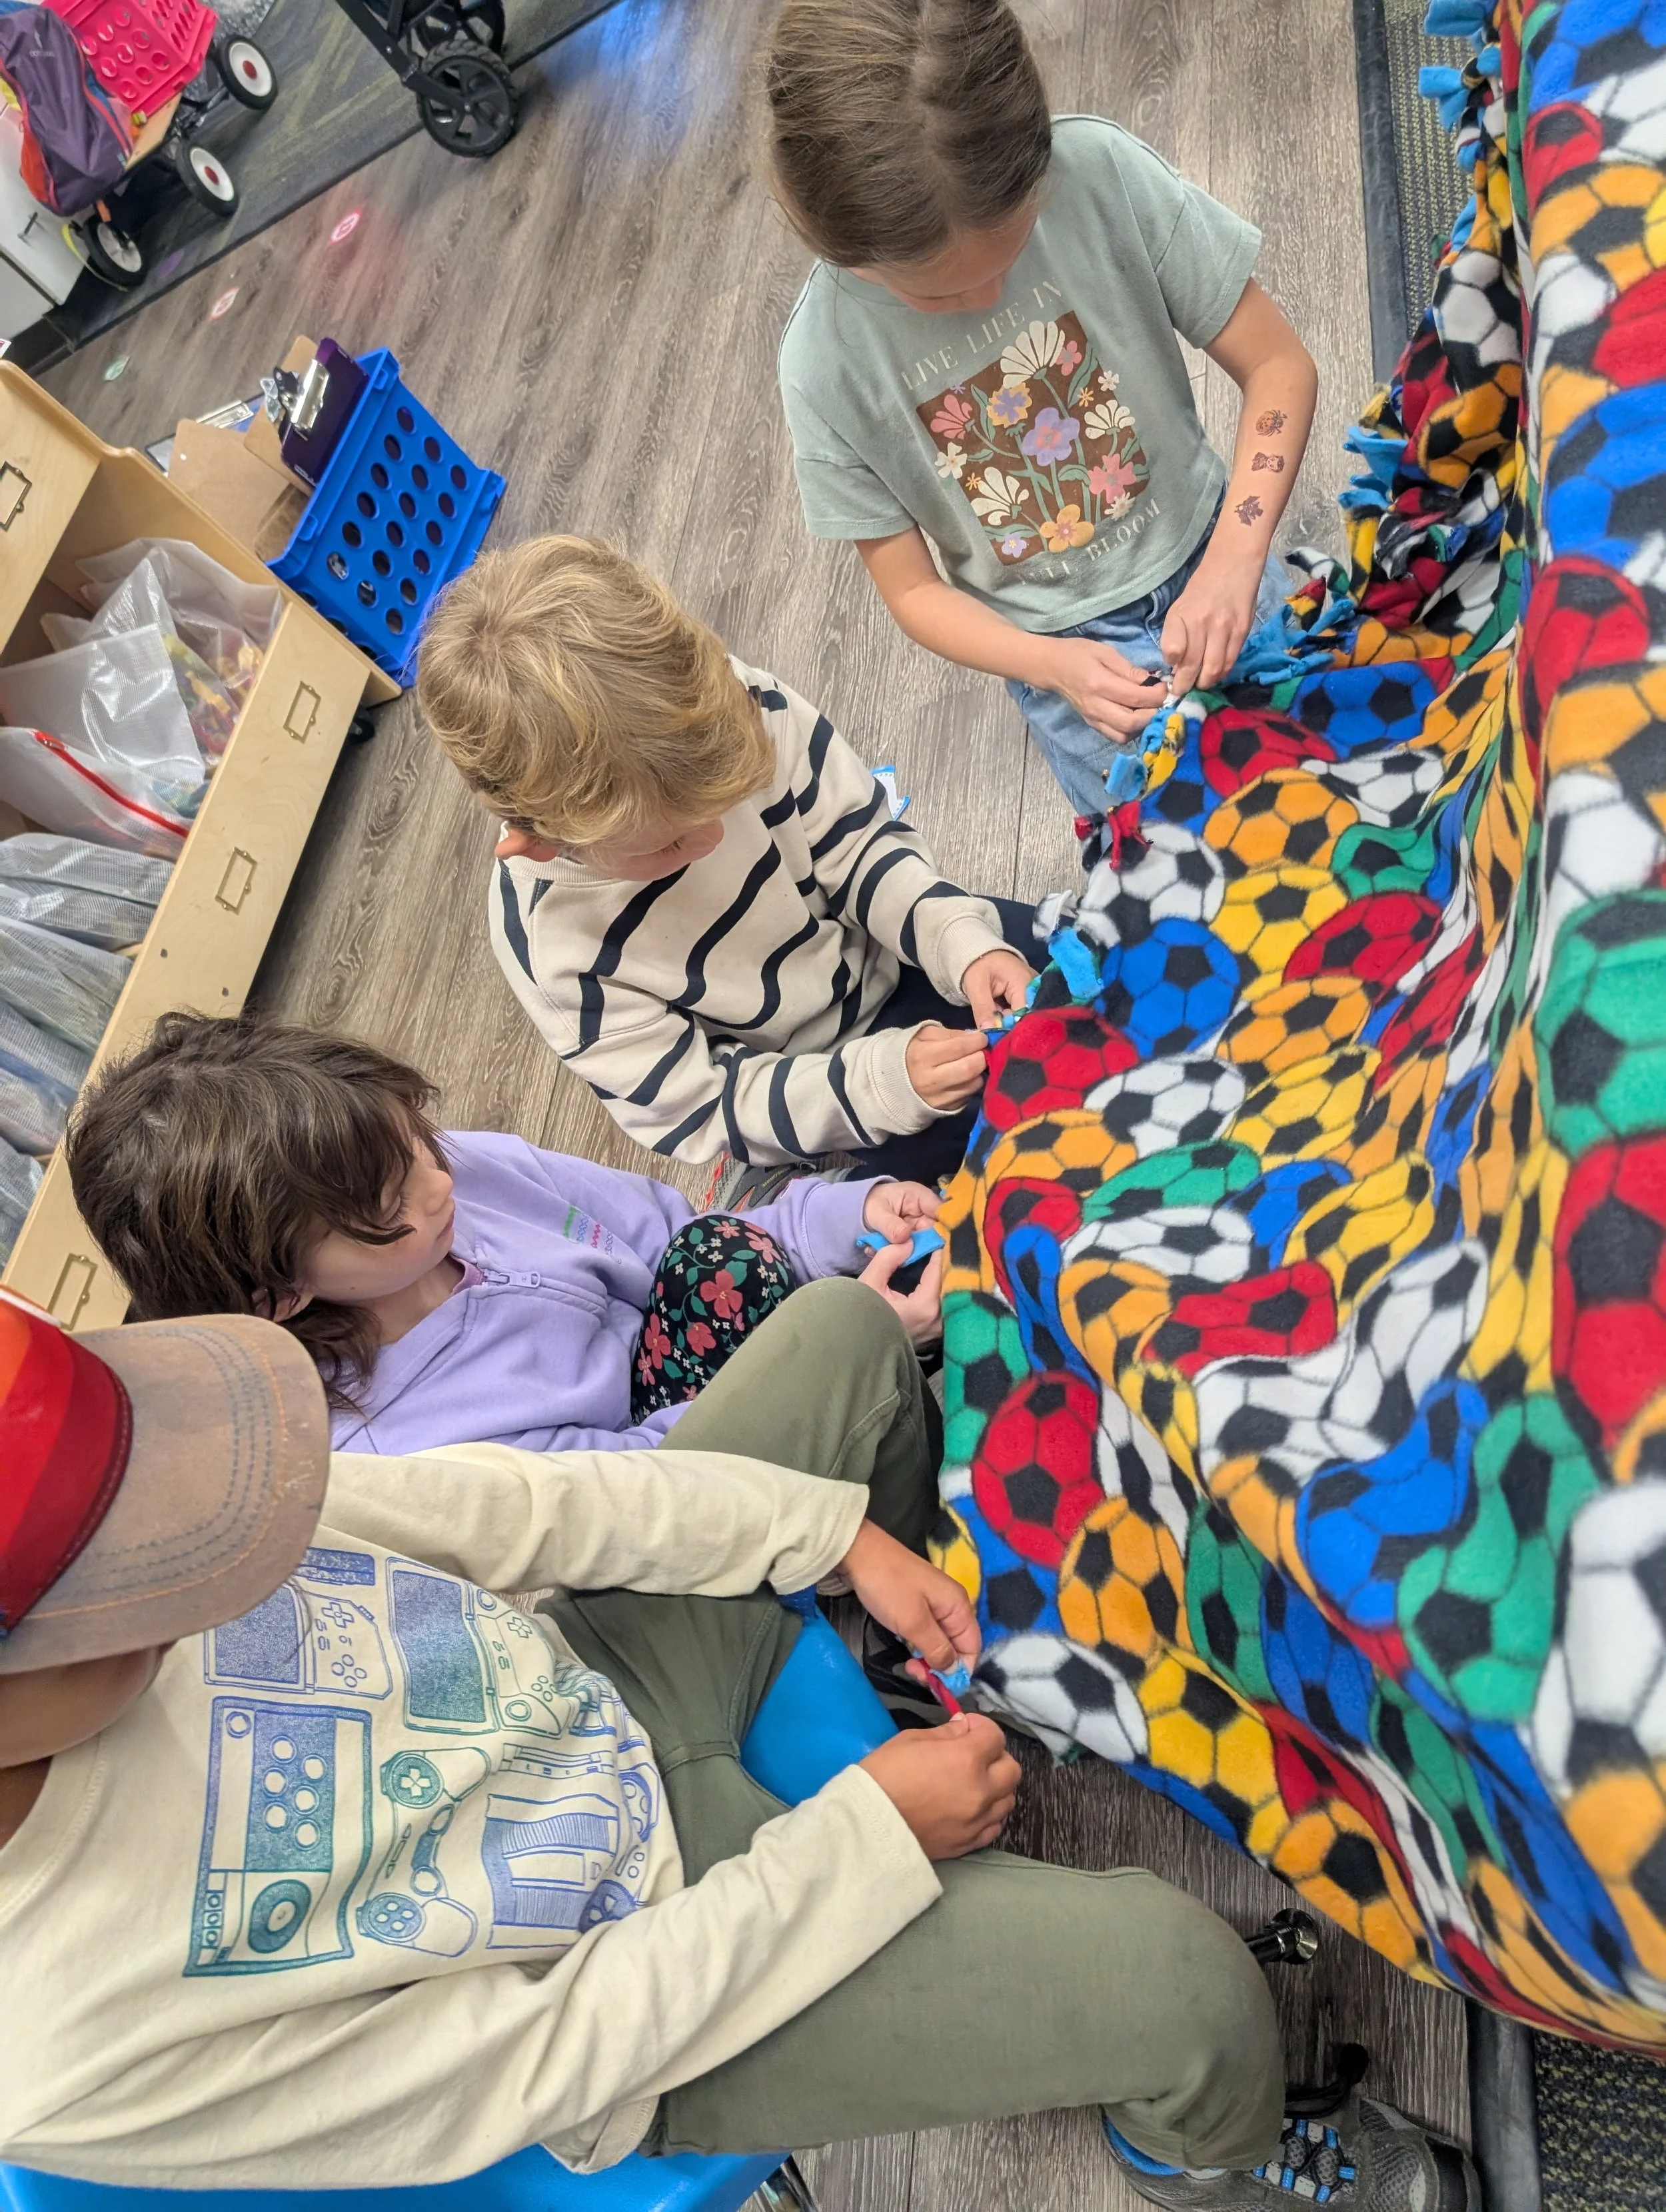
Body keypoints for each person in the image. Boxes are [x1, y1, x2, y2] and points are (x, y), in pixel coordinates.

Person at [0, 1287, 1477, 2211]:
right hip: (628, 1978)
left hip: (594, 1675)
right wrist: (864, 1841)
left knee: (842, 1337)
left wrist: (834, 1533)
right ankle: (1204, 2163)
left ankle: (914, 1675)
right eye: (137, 1578)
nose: (205, 1556)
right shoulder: (56, 2045)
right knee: (1184, 1982)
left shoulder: (166, 1526)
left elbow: (525, 1514)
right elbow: (547, 2054)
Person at [766, 0, 1320, 821]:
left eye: (1016, 243)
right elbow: (913, 593)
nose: (986, 297)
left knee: (1324, 761)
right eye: (937, 294)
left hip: (1218, 541)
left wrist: (1237, 557)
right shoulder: (822, 366)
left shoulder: (1095, 172)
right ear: (838, 247)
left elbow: (1277, 366)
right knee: (1165, 853)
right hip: (1059, 660)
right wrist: (1050, 665)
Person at [417, 534, 1040, 1188]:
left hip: (904, 948)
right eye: (667, 845)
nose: (714, 839)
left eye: (733, 794)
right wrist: (871, 1085)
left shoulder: (734, 704)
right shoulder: (555, 952)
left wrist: (957, 939)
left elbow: (859, 845)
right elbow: (701, 1102)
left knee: (1086, 981)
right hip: (810, 1088)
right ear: (539, 842)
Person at [64, 1010, 943, 1460]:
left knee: (760, 1228)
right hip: (675, 1478)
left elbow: (677, 1231)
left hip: (701, 1363)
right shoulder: (402, 1441)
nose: (442, 1184)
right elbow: (647, 1495)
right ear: (282, 1295)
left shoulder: (452, 1174)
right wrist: (839, 1351)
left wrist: (840, 1220)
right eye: (388, 1204)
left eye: (418, 1144)